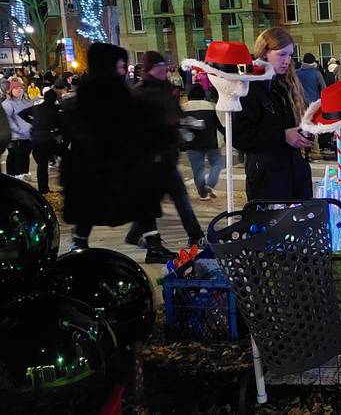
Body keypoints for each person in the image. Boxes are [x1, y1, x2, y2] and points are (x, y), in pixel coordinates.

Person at [61, 43, 176, 262]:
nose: (124, 70)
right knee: (138, 200)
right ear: (108, 66)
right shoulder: (112, 95)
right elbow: (133, 124)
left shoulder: (88, 95)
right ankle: (150, 245)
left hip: (97, 165)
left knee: (97, 205)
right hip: (113, 165)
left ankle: (81, 242)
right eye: (120, 65)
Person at [128, 51, 205, 247]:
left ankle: (193, 235)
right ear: (149, 69)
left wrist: (186, 124)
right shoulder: (140, 93)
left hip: (168, 153)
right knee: (169, 199)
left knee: (172, 198)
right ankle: (193, 235)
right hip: (150, 156)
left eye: (164, 68)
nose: (163, 72)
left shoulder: (169, 90)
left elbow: (176, 114)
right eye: (158, 68)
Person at [233, 27, 312, 200]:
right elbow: (239, 136)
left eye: (290, 55)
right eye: (282, 54)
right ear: (265, 53)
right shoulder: (249, 86)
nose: (287, 60)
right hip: (268, 180)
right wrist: (282, 135)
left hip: (295, 171)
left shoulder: (286, 84)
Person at [183, 83, 225, 201]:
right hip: (211, 141)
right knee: (217, 163)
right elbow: (219, 125)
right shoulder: (211, 106)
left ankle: (202, 193)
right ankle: (210, 184)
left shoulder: (184, 108)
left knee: (198, 169)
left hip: (191, 142)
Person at [19, 88, 61, 193]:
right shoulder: (56, 109)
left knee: (41, 165)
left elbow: (21, 113)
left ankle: (43, 189)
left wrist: (32, 121)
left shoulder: (36, 108)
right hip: (49, 139)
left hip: (36, 139)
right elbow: (62, 123)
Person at [2, 77, 33, 179]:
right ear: (11, 91)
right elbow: (7, 120)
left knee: (25, 156)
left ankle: (23, 175)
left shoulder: (27, 102)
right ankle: (17, 177)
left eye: (20, 88)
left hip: (28, 135)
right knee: (18, 157)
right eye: (16, 88)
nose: (19, 90)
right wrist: (19, 130)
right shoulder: (7, 104)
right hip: (17, 136)